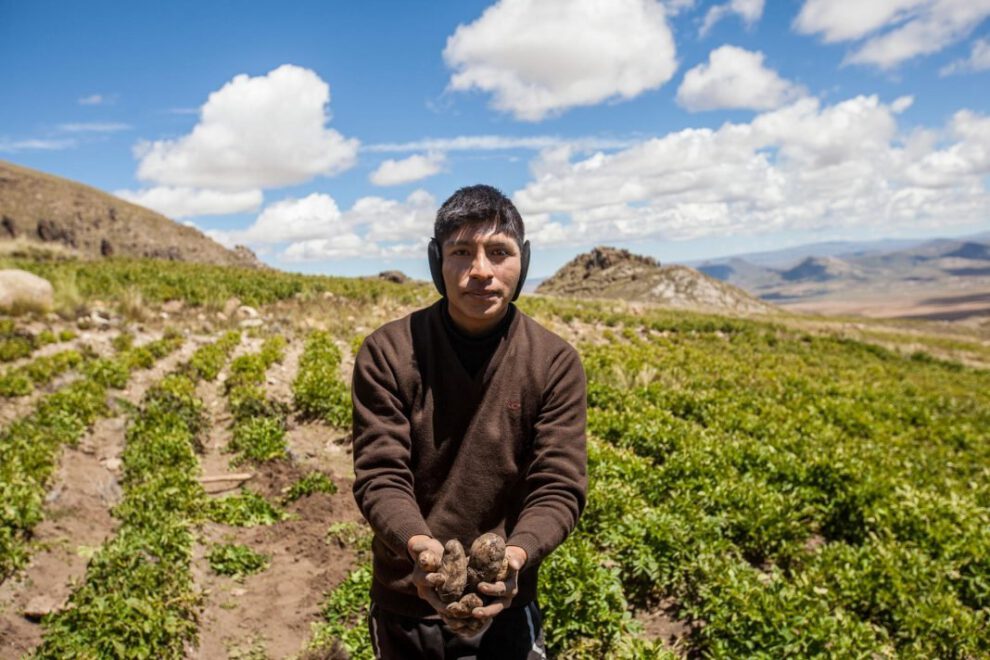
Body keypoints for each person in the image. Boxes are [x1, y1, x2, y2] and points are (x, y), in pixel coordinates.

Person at [351, 184, 587, 659]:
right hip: (407, 597)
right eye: (462, 252)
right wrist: (420, 549)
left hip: (506, 595)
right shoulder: (389, 353)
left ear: (524, 261)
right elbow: (380, 476)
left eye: (499, 252)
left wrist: (513, 558)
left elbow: (558, 485)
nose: (481, 271)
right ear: (436, 260)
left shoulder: (554, 362)